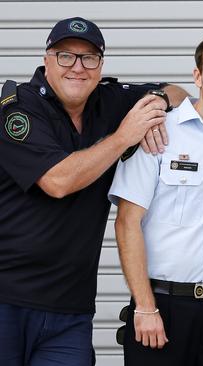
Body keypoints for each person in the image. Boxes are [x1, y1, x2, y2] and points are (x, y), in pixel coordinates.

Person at [0, 17, 187, 366]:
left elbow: (178, 92)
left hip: (70, 309)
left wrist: (158, 103)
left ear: (100, 66)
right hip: (8, 299)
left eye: (89, 58)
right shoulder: (17, 109)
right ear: (47, 60)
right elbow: (57, 181)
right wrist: (124, 136)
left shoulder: (108, 101)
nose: (78, 67)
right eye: (66, 56)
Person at [108, 33, 203, 365]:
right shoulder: (158, 132)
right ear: (197, 77)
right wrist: (145, 307)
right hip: (162, 305)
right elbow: (127, 222)